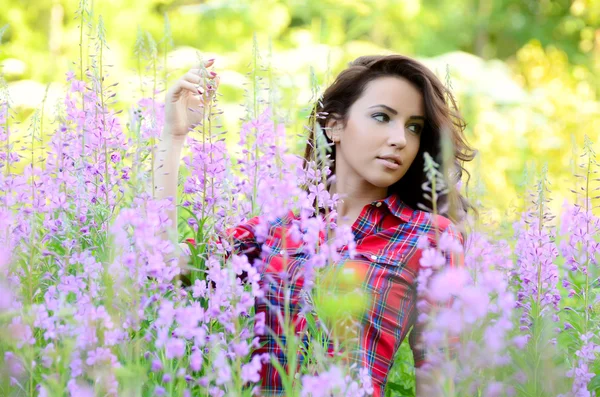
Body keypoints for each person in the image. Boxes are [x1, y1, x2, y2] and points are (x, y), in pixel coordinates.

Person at [154, 54, 475, 396]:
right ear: (334, 124)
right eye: (382, 117)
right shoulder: (276, 230)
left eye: (414, 127)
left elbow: (438, 374)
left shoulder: (430, 237)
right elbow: (166, 264)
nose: (400, 139)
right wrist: (174, 137)